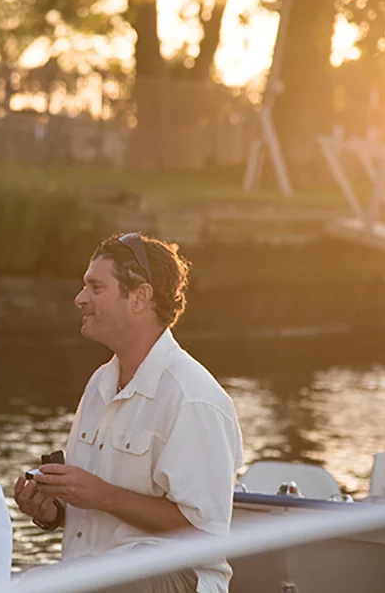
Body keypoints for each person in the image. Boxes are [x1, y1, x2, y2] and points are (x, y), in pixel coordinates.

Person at [14, 232, 244, 593]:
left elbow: (204, 531)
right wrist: (51, 511)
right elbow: (92, 504)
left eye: (95, 287)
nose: (80, 298)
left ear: (140, 297)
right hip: (94, 575)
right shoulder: (100, 384)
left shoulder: (193, 398)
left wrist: (102, 495)